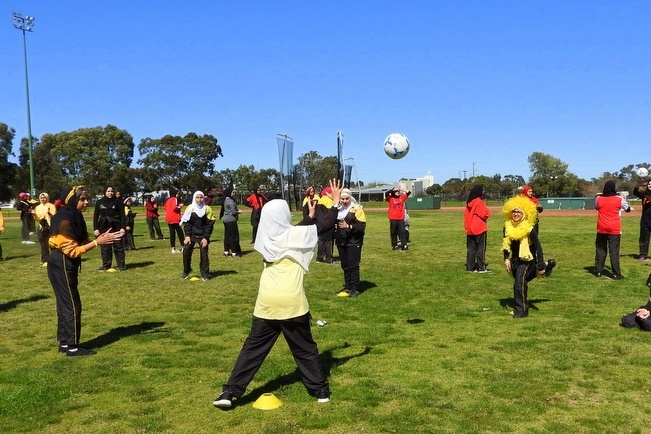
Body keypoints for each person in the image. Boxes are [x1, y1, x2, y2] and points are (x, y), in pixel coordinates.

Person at [213, 179, 342, 409]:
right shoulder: (295, 236)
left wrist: (310, 217)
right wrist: (333, 203)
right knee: (305, 350)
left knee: (252, 350)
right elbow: (324, 227)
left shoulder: (266, 240)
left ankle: (229, 393)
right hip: (292, 302)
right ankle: (320, 390)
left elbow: (294, 233)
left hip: (266, 303)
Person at [48, 185, 122, 356]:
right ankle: (72, 346)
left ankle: (65, 343)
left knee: (64, 304)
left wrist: (104, 238)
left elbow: (81, 241)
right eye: (82, 199)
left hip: (63, 263)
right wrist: (97, 243)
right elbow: (72, 250)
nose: (87, 202)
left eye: (86, 199)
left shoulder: (73, 215)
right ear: (72, 200)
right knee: (72, 304)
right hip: (63, 263)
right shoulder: (65, 219)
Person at [502, 195, 555, 318]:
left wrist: (540, 264)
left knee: (519, 283)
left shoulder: (529, 229)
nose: (515, 214)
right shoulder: (507, 226)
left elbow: (538, 247)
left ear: (524, 214)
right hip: (515, 260)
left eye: (518, 212)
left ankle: (522, 310)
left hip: (527, 259)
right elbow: (506, 243)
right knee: (522, 280)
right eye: (514, 211)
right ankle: (548, 267)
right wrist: (506, 258)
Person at [595, 180, 631, 279]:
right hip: (614, 228)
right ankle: (616, 273)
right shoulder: (619, 199)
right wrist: (623, 198)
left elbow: (597, 207)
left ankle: (598, 271)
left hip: (601, 227)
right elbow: (627, 209)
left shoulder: (599, 198)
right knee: (614, 251)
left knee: (600, 250)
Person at [334, 188, 366, 298]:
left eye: (346, 198)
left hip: (353, 242)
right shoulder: (338, 209)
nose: (344, 201)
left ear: (350, 198)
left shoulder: (357, 209)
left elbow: (361, 227)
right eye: (342, 199)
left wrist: (349, 226)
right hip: (341, 241)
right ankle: (348, 286)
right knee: (345, 265)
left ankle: (355, 288)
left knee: (353, 266)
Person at [182, 191, 216, 280]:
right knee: (186, 251)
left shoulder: (207, 209)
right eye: (197, 197)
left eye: (201, 197)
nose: (199, 199)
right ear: (194, 198)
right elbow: (187, 222)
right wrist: (187, 235)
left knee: (204, 254)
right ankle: (187, 270)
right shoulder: (190, 208)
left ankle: (205, 274)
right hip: (192, 234)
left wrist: (205, 238)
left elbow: (210, 224)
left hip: (203, 235)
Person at [93, 186, 127, 271]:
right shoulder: (99, 202)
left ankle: (121, 265)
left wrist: (123, 228)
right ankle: (106, 265)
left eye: (112, 191)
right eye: (108, 191)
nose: (110, 193)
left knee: (118, 247)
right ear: (105, 192)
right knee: (105, 247)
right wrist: (96, 229)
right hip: (103, 227)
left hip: (116, 226)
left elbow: (123, 216)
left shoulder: (118, 202)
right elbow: (96, 216)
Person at [464, 184, 491, 273]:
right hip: (479, 228)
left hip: (470, 229)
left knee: (471, 249)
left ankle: (470, 267)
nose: (484, 192)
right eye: (483, 190)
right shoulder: (479, 201)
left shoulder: (469, 202)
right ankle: (481, 267)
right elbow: (485, 214)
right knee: (481, 248)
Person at [34, 192, 57, 265]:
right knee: (43, 244)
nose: (43, 199)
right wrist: (34, 215)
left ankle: (55, 258)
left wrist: (49, 213)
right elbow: (37, 219)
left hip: (50, 226)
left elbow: (54, 216)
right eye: (41, 198)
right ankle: (45, 259)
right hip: (42, 227)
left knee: (52, 243)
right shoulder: (37, 207)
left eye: (44, 197)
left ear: (47, 198)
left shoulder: (51, 206)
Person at [385, 187, 411, 251]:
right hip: (393, 218)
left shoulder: (401, 197)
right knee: (393, 232)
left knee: (402, 232)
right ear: (394, 192)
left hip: (400, 218)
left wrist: (402, 189)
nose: (398, 192)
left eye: (398, 191)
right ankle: (395, 245)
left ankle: (404, 245)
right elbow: (386, 193)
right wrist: (393, 189)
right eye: (396, 191)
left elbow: (408, 193)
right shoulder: (390, 198)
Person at [316, 186, 336, 263]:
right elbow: (331, 213)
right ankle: (329, 258)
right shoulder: (329, 201)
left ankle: (319, 258)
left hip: (320, 224)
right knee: (329, 241)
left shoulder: (321, 200)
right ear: (328, 193)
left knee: (321, 241)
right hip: (328, 224)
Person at [220, 186, 242, 257]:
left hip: (225, 219)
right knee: (233, 236)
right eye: (233, 192)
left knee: (227, 236)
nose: (234, 193)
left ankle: (226, 251)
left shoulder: (225, 199)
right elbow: (233, 211)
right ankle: (234, 252)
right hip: (231, 219)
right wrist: (238, 212)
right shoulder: (231, 201)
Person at [633, 179, 651, 261]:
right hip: (645, 220)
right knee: (644, 239)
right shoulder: (644, 194)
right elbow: (635, 193)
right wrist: (638, 185)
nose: (650, 185)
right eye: (649, 184)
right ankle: (643, 255)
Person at [164, 188, 184, 253]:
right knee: (180, 232)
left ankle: (173, 248)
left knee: (172, 233)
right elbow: (175, 207)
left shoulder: (168, 200)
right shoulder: (174, 199)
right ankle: (183, 246)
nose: (178, 195)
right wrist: (180, 206)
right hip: (174, 218)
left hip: (169, 218)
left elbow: (164, 207)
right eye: (177, 193)